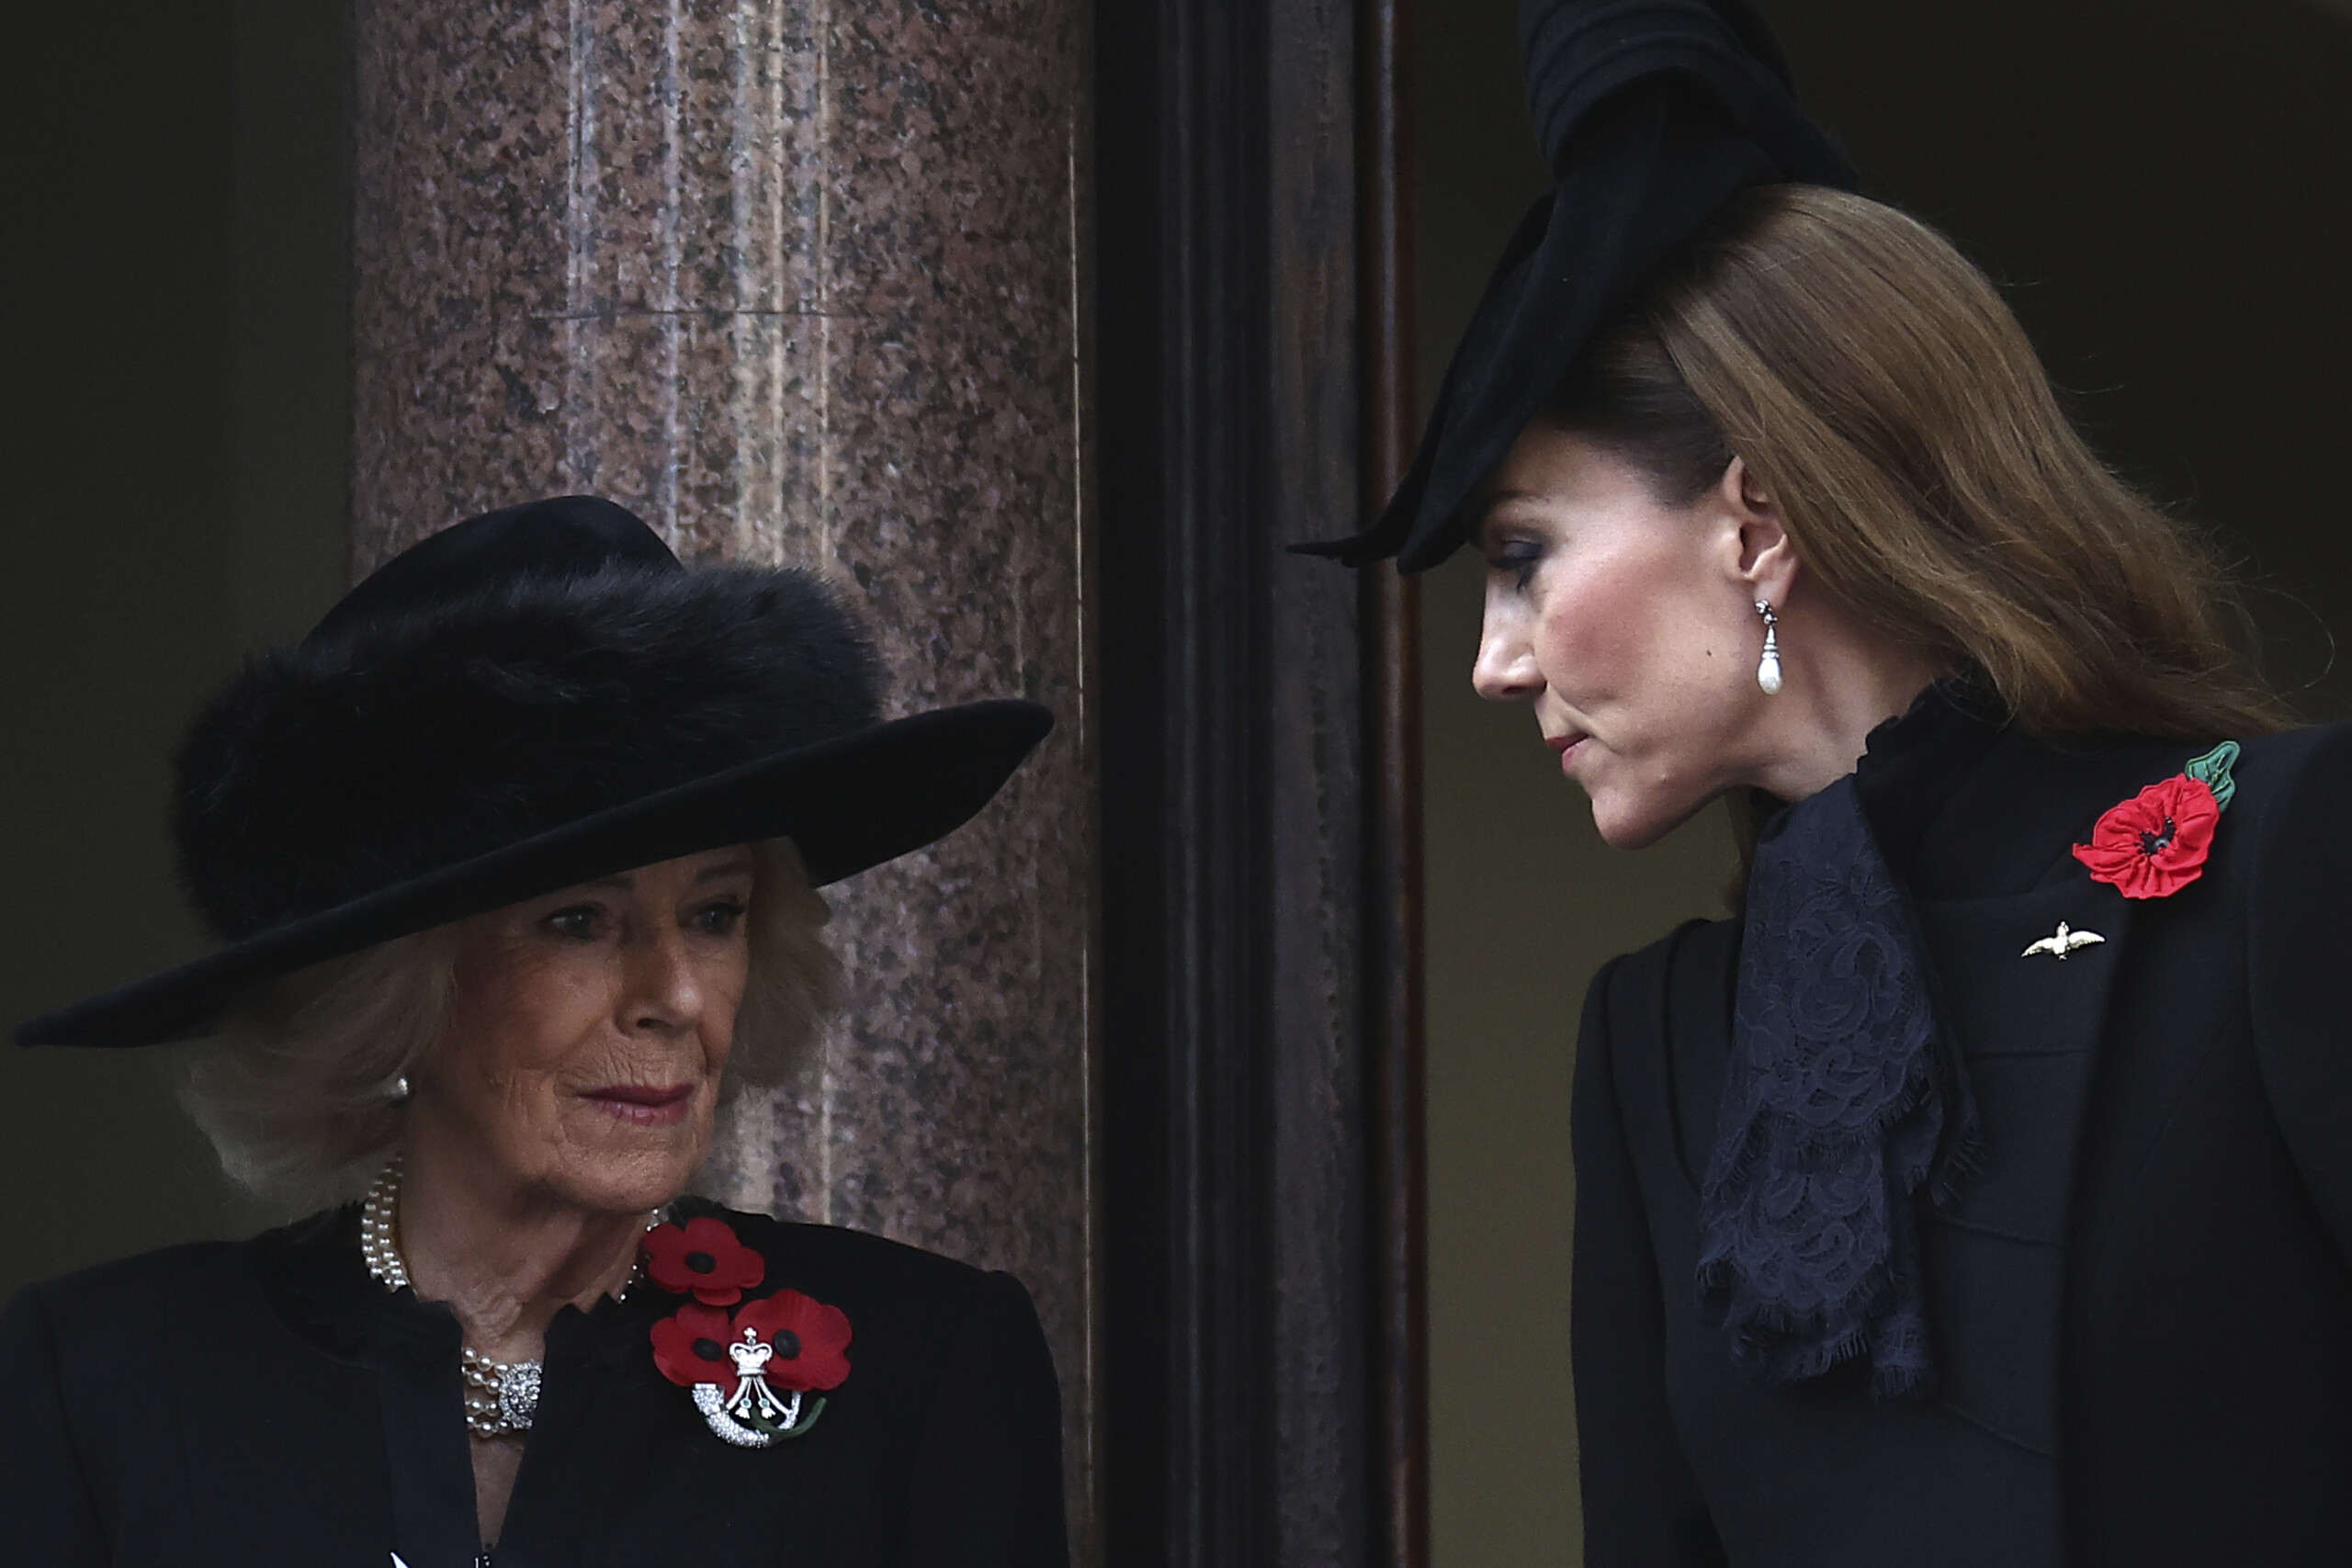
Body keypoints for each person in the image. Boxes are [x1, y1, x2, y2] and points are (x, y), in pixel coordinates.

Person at [1306, 2, 2352, 1564]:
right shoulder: (1657, 1040)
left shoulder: (2284, 855)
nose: (1493, 663)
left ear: (1756, 522)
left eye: (1524, 557)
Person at [0, 496, 1069, 1566]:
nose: (676, 997)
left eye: (714, 914)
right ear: (391, 992)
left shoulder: (924, 1365)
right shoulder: (100, 1385)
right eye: (578, 922)